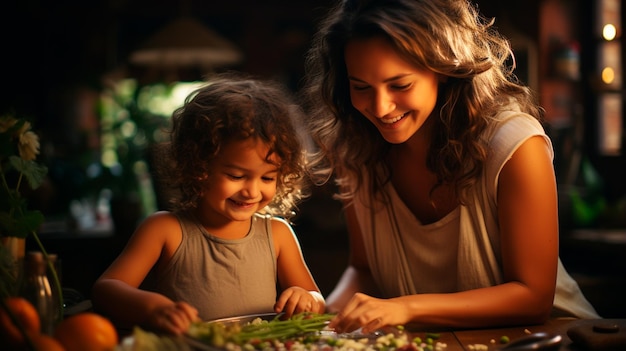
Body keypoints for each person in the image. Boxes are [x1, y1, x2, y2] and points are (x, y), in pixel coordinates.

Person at [301, 0, 599, 334]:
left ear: (442, 69)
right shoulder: (354, 152)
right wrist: (320, 316)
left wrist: (405, 309)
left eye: (400, 85)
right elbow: (364, 270)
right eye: (361, 88)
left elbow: (533, 297)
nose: (381, 107)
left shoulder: (515, 144)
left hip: (556, 339)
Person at [92, 73, 325, 336]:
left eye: (268, 177)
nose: (252, 191)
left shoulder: (278, 234)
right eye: (236, 176)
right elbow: (106, 289)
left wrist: (307, 299)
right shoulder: (164, 229)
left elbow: (316, 299)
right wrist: (152, 308)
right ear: (199, 167)